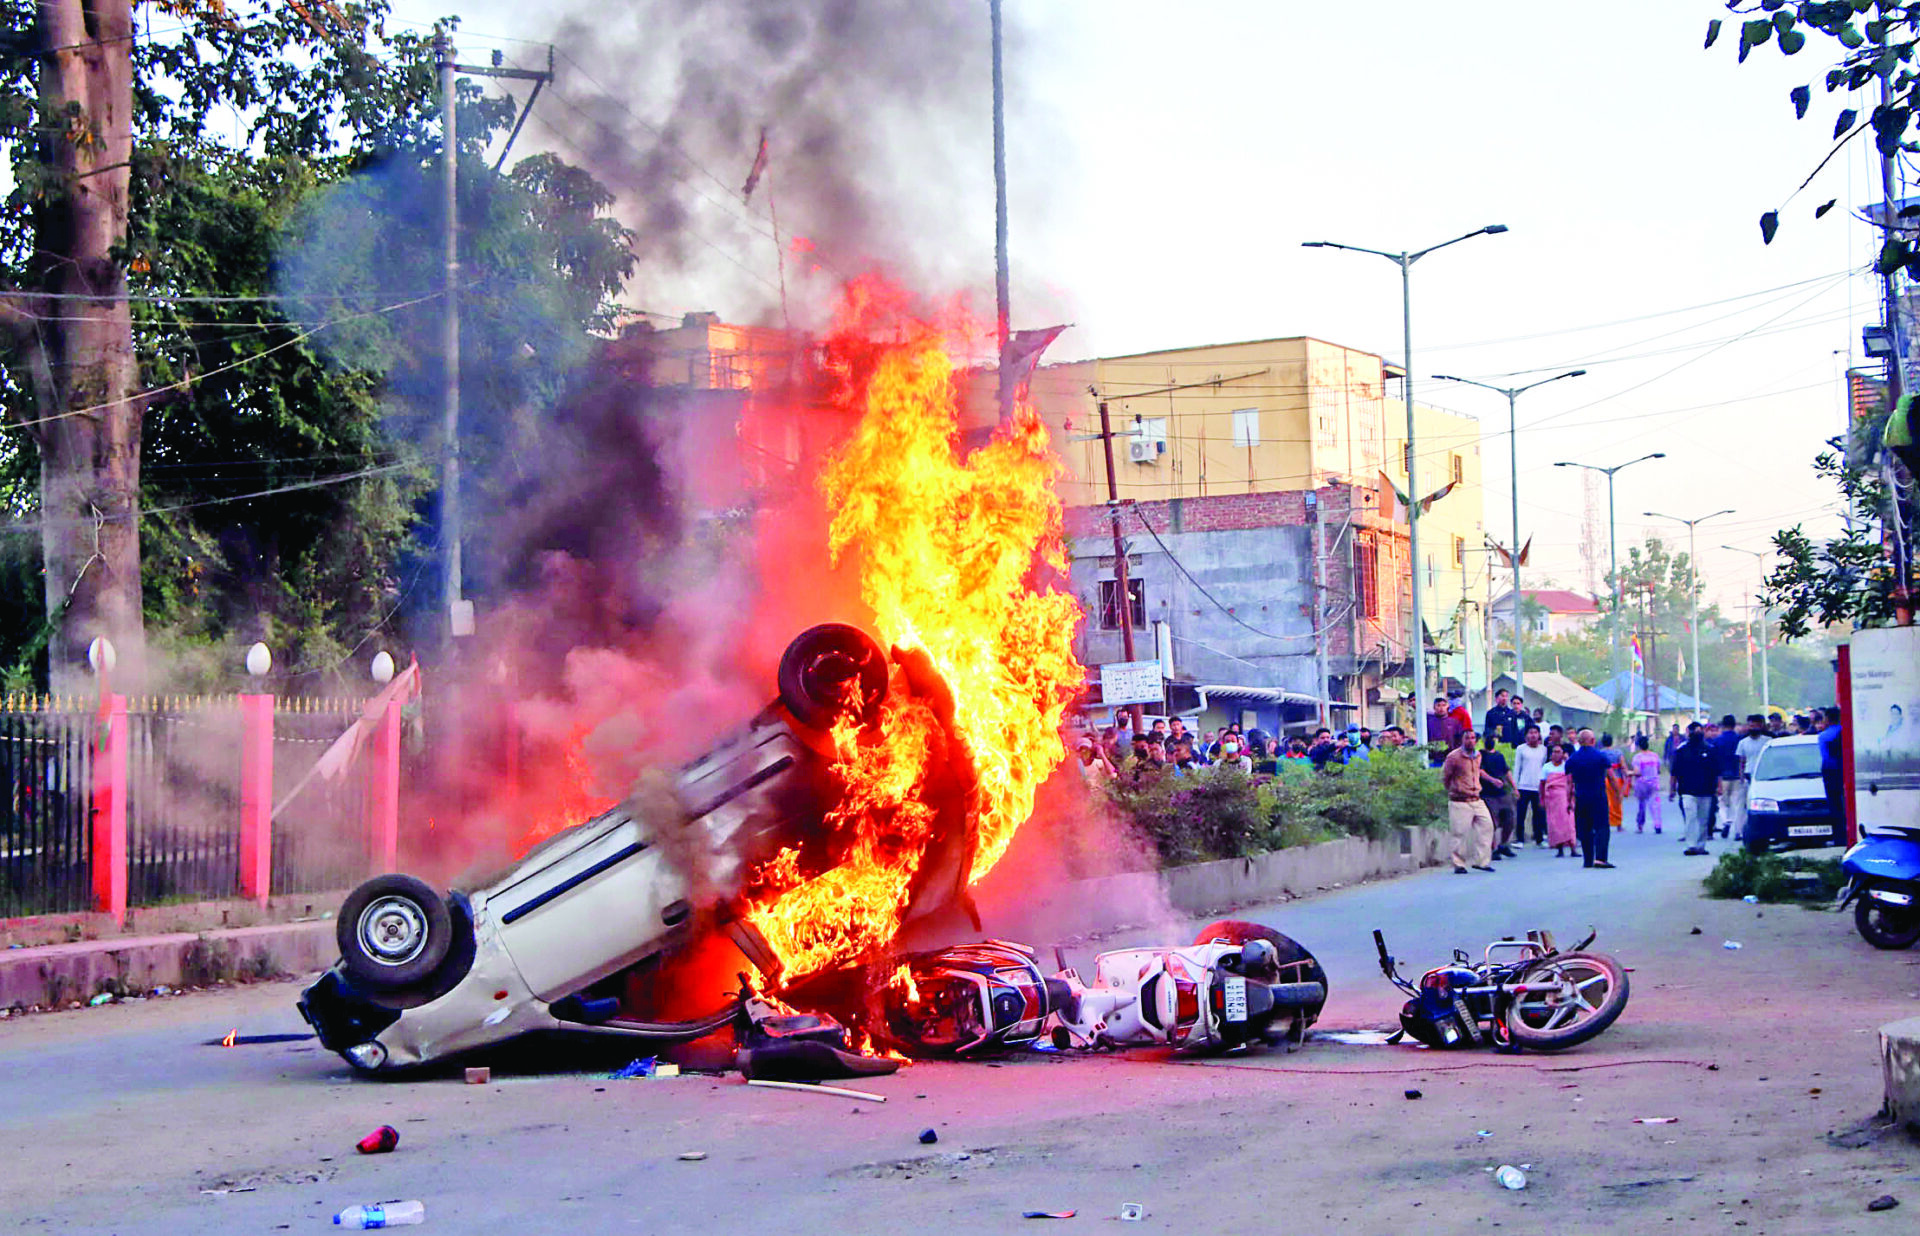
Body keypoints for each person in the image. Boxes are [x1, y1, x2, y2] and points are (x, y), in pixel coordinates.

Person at [1441, 728, 1496, 873]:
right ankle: (1459, 864)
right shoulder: (1454, 757)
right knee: (1459, 833)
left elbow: (1478, 772)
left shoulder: (1478, 756)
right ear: (1462, 740)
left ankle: (1482, 861)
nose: (1470, 741)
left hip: (1477, 798)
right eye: (1467, 738)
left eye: (1473, 738)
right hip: (1460, 800)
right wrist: (1453, 789)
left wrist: (1490, 781)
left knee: (1487, 826)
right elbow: (1446, 776)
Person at [1565, 729, 1615, 868]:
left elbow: (1569, 782)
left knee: (1584, 828)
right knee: (1602, 827)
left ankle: (1587, 860)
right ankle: (1600, 858)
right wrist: (1617, 793)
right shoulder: (1600, 756)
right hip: (1598, 796)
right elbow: (1611, 776)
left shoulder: (1573, 758)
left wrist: (1569, 800)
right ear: (1593, 741)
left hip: (1581, 797)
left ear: (1579, 742)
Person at [1670, 722, 1721, 855]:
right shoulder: (1681, 751)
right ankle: (1691, 846)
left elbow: (1716, 771)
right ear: (1688, 732)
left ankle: (1701, 846)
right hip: (1687, 791)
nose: (1696, 733)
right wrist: (1672, 789)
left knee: (1703, 820)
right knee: (1690, 817)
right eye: (1694, 731)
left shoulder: (1710, 749)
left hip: (1706, 790)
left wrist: (1718, 787)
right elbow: (1674, 772)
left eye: (1699, 731)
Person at [1729, 714, 1771, 846]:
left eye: (1755, 725)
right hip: (1747, 777)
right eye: (1750, 725)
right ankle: (1739, 831)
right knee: (1741, 806)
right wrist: (1741, 778)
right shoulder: (1743, 743)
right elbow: (1741, 762)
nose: (1752, 727)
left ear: (1761, 725)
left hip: (1765, 778)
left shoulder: (1768, 741)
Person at [1480, 732, 1518, 859]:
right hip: (1487, 794)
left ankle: (1504, 845)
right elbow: (1480, 771)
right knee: (1491, 822)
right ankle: (1493, 849)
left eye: (1493, 738)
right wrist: (1492, 780)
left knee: (1510, 819)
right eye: (1489, 738)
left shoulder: (1499, 756)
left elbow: (1507, 771)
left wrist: (1514, 788)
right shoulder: (1480, 755)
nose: (1491, 741)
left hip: (1503, 793)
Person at [1513, 724, 1549, 846]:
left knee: (1538, 813)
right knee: (1521, 813)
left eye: (1535, 732)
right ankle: (1520, 839)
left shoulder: (1544, 750)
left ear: (1539, 735)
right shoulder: (1521, 749)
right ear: (1526, 735)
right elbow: (1517, 768)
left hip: (1538, 786)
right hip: (1523, 786)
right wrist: (1515, 786)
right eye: (1530, 732)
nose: (1533, 735)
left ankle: (1539, 839)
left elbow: (1544, 767)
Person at [1541, 742, 1578, 856]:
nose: (1556, 754)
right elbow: (1542, 784)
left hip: (1566, 797)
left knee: (1569, 823)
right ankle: (1560, 848)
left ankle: (1573, 848)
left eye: (1559, 752)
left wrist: (1572, 797)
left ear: (1563, 754)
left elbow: (1571, 782)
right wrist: (1541, 799)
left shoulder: (1567, 766)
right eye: (1554, 752)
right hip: (1553, 799)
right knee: (1555, 824)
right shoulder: (1547, 767)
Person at [1711, 714, 1743, 840]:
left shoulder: (1717, 741)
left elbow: (1714, 761)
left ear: (1723, 726)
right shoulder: (1740, 739)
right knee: (1736, 803)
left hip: (1722, 776)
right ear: (1734, 725)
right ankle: (1737, 830)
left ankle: (1726, 821)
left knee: (1722, 803)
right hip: (1737, 775)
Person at [1630, 734, 1663, 833]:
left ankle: (1640, 826)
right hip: (1654, 783)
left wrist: (1629, 773)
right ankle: (1657, 825)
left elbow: (1637, 772)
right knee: (1655, 805)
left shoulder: (1637, 758)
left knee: (1642, 805)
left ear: (1639, 746)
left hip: (1642, 784)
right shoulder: (1655, 756)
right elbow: (1658, 769)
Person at [1818, 705, 1845, 822]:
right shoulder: (1845, 731)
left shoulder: (1824, 736)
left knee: (1835, 806)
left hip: (1831, 772)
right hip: (1846, 771)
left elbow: (1826, 757)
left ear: (1827, 719)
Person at [1599, 733, 1627, 831]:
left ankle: (1607, 823)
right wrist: (1626, 776)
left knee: (1606, 802)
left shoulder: (1600, 753)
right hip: (1617, 778)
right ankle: (1619, 824)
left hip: (1604, 779)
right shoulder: (1618, 753)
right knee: (1617, 802)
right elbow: (1623, 766)